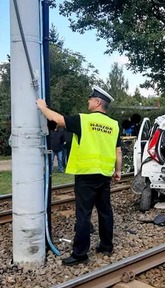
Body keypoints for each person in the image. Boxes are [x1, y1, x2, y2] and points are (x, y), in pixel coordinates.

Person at [36, 85, 122, 266]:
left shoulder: (83, 120)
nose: (88, 101)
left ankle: (80, 254)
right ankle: (106, 246)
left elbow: (57, 119)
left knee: (83, 214)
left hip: (86, 175)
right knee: (105, 212)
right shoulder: (114, 125)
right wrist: (118, 171)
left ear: (97, 102)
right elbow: (118, 151)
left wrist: (43, 107)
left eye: (90, 99)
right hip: (104, 175)